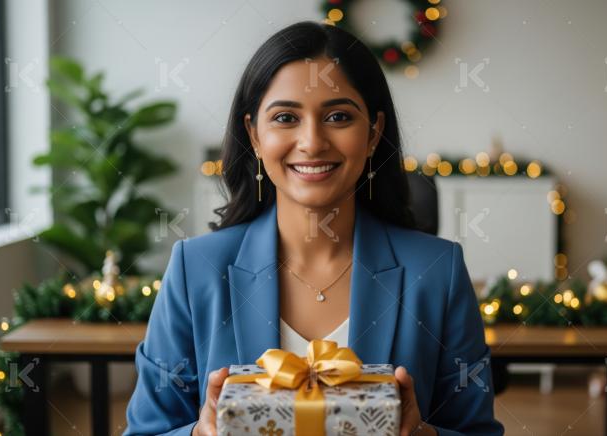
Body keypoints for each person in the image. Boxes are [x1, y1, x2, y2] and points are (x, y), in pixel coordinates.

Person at [124, 20, 503, 436]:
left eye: (338, 116)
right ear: (253, 134)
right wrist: (200, 434)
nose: (312, 142)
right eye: (285, 117)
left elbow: (477, 431)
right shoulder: (193, 269)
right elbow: (146, 430)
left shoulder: (438, 271)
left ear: (374, 133)